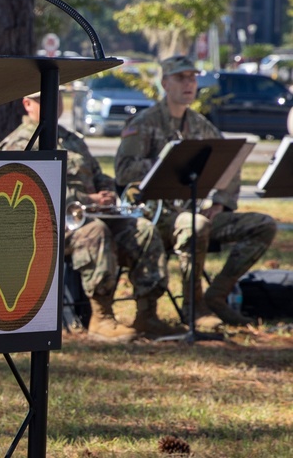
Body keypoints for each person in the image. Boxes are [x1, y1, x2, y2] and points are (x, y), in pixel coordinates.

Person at [0, 91, 183, 342]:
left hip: (90, 216)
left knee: (144, 231)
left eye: (58, 97)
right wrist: (85, 200)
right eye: (45, 99)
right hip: (43, 226)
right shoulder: (20, 144)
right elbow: (28, 193)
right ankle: (100, 317)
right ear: (27, 104)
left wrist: (107, 191)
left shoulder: (71, 139)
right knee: (95, 233)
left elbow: (96, 173)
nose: (54, 103)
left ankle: (147, 314)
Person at [115, 55, 277, 328]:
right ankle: (195, 307)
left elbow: (231, 163)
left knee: (263, 225)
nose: (189, 83)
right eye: (181, 78)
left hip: (196, 215)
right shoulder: (144, 123)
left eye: (192, 77)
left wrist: (220, 203)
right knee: (195, 224)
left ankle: (217, 295)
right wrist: (166, 164)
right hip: (158, 218)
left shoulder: (201, 125)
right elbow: (123, 171)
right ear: (165, 83)